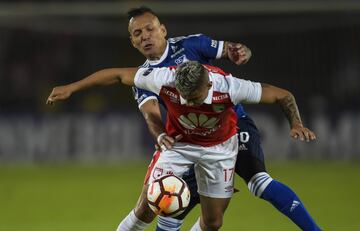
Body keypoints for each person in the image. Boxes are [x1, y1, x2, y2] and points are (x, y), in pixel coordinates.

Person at [46, 61, 318, 231]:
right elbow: (118, 75)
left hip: (220, 151)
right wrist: (73, 88)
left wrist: (296, 122)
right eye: (185, 97)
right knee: (150, 206)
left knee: (213, 222)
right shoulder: (164, 78)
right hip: (178, 146)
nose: (188, 103)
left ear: (209, 84)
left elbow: (282, 95)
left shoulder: (230, 86)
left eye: (195, 97)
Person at [123, 6, 321, 231]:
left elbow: (231, 50)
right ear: (133, 42)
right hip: (194, 139)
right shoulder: (147, 77)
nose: (145, 36)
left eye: (149, 29)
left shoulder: (191, 45)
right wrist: (161, 135)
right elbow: (151, 114)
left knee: (259, 183)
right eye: (138, 33)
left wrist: (239, 51)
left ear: (163, 29)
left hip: (235, 126)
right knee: (173, 212)